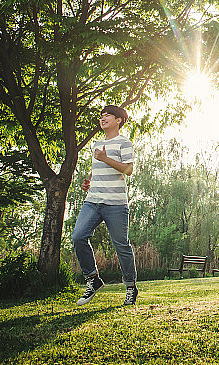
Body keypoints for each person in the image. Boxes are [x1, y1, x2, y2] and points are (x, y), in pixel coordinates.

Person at [72, 105, 138, 306]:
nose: (103, 118)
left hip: (115, 204)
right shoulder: (98, 144)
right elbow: (98, 168)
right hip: (93, 201)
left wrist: (105, 158)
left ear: (119, 120)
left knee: (121, 245)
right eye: (101, 116)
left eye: (108, 115)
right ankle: (93, 279)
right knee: (78, 236)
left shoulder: (124, 143)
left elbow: (128, 170)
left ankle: (130, 287)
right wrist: (89, 181)